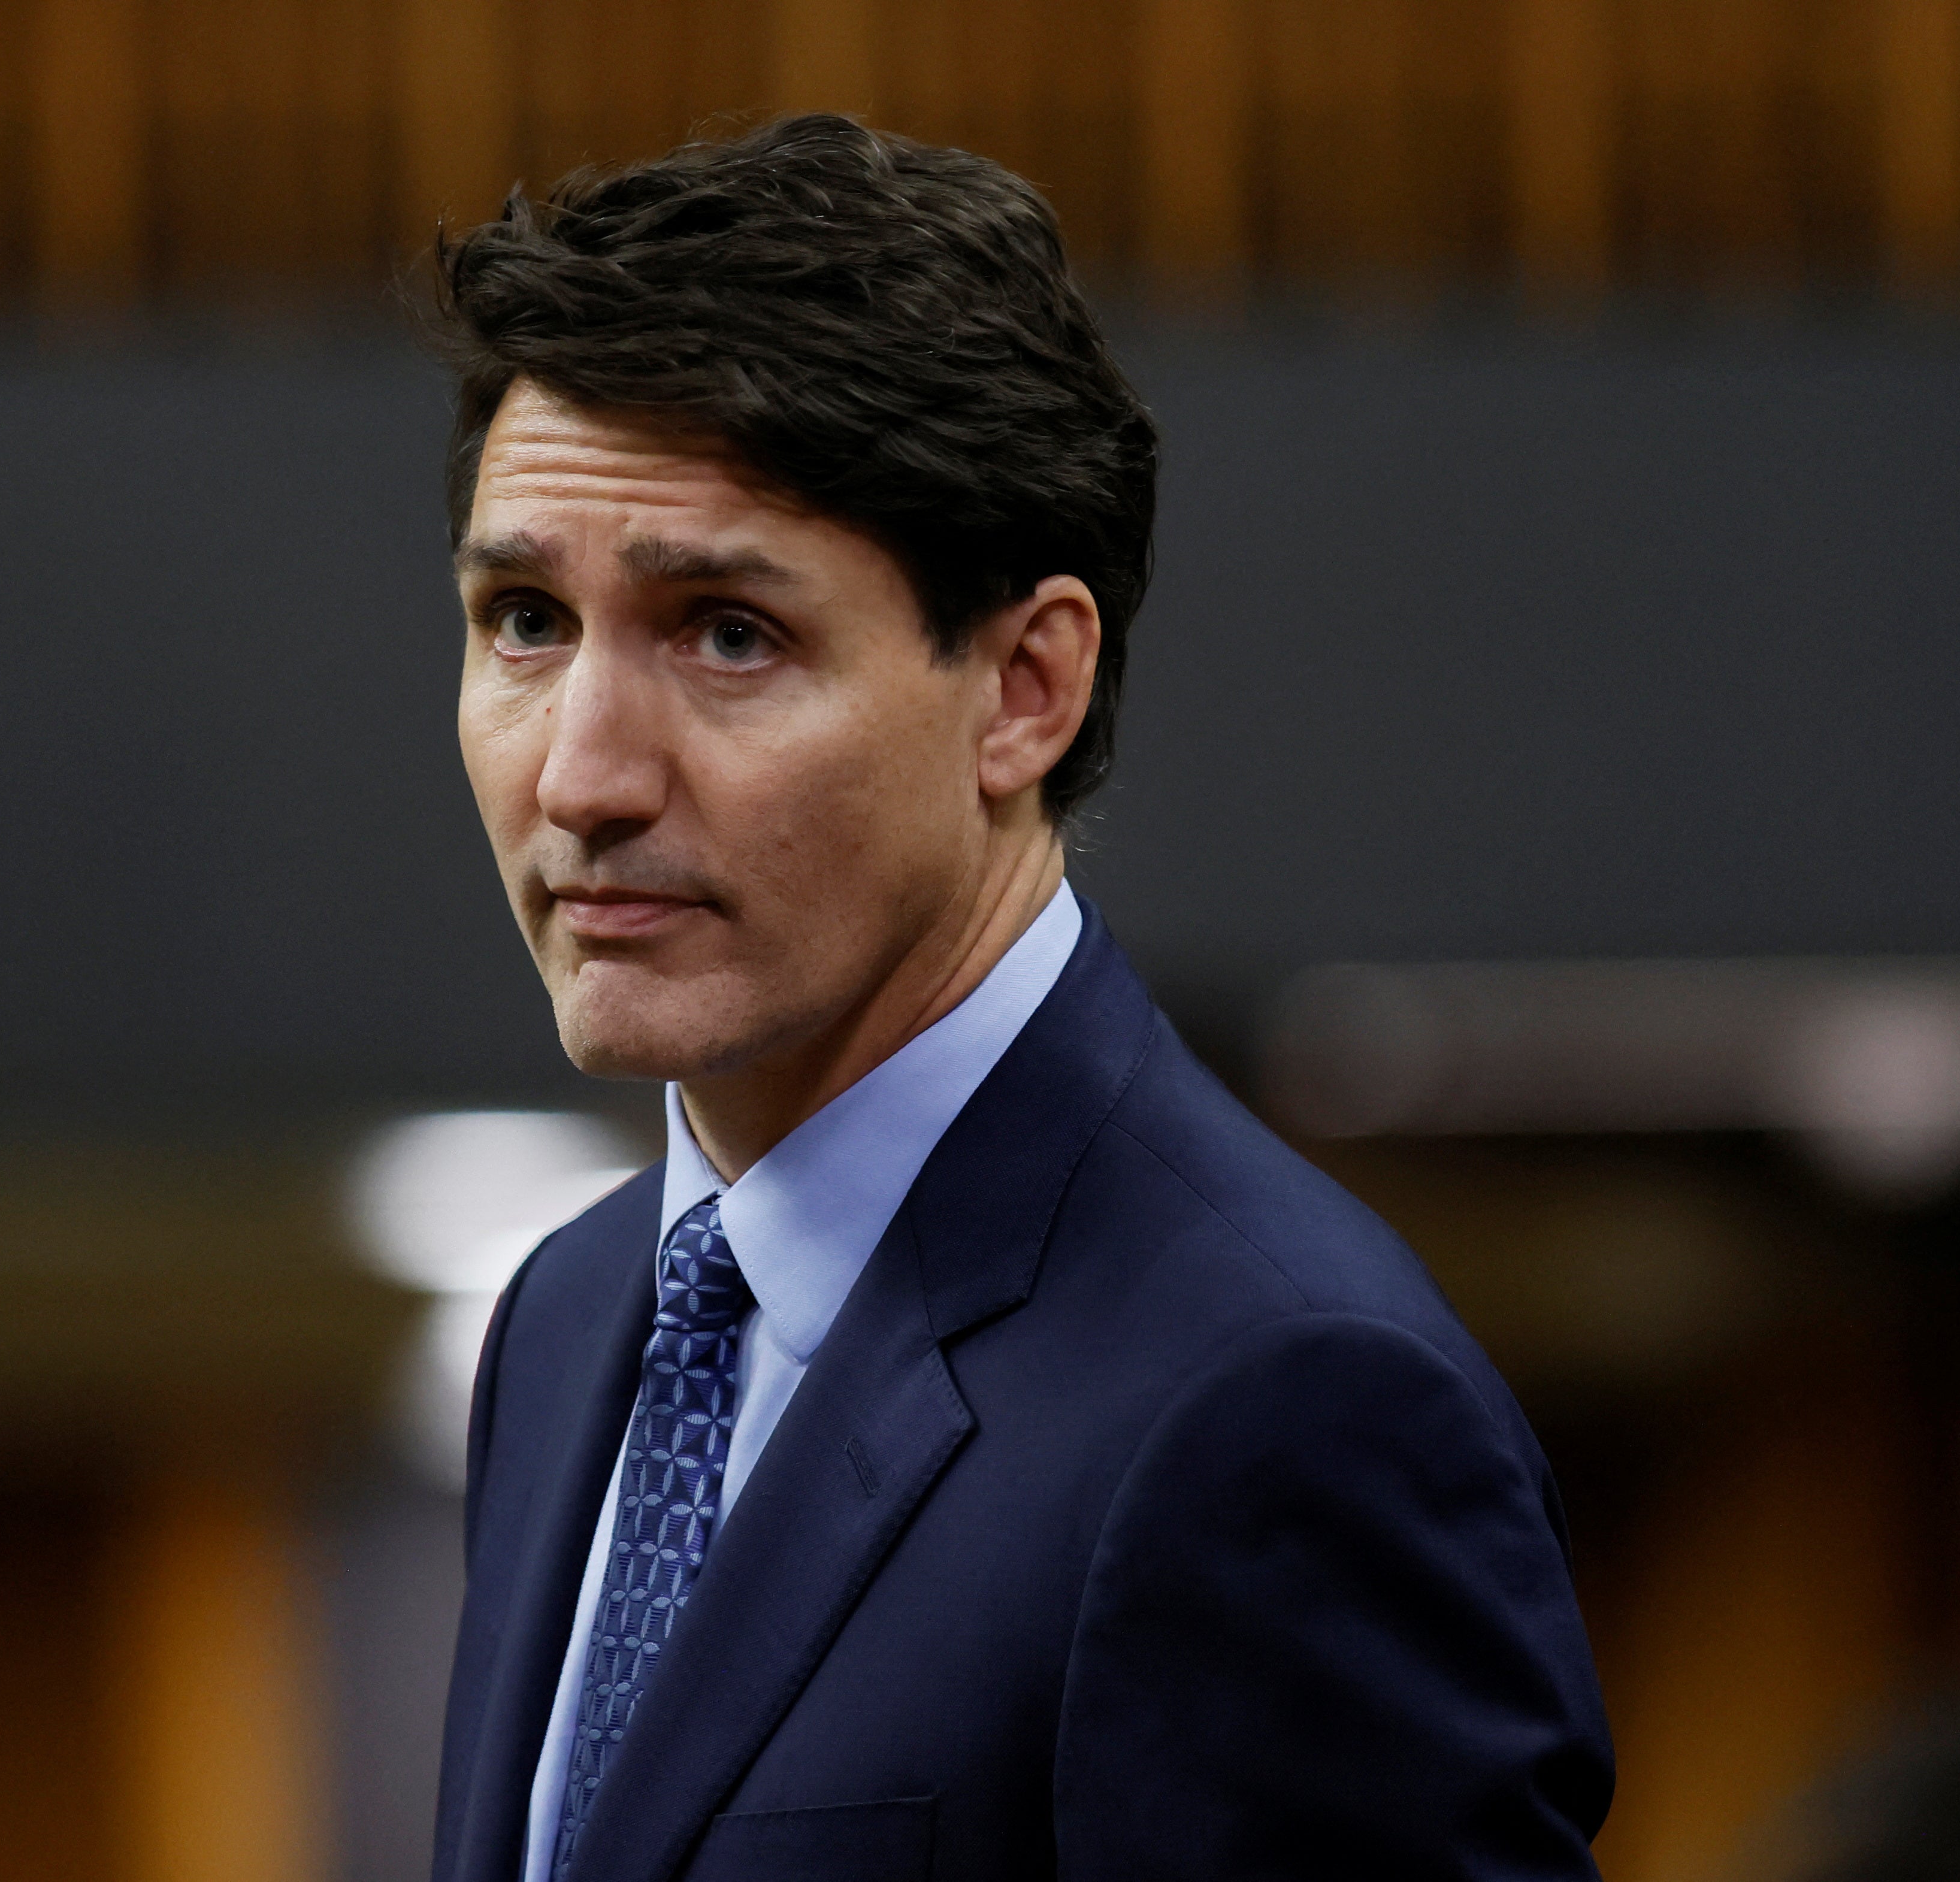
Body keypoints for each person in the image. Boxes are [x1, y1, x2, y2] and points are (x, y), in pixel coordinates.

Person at [428, 114, 1613, 1882]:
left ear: (1024, 690)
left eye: (726, 634)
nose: (582, 774)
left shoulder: (1276, 1402)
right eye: (525, 621)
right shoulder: (572, 1313)